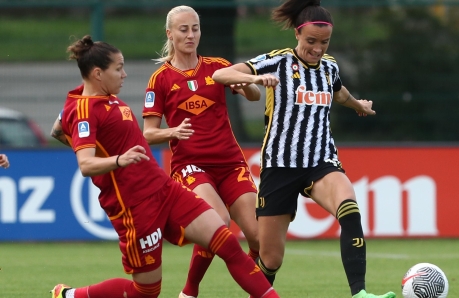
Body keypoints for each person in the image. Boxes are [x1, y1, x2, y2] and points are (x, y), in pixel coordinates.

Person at [49, 35, 279, 298]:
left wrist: (67, 127)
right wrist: (118, 160)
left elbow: (58, 128)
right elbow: (86, 164)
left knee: (227, 244)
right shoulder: (84, 110)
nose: (124, 74)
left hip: (165, 190)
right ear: (98, 74)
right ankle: (70, 295)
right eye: (118, 68)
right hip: (134, 206)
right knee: (145, 292)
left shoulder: (101, 98)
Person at [212, 1, 396, 297]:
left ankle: (360, 293)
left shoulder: (330, 67)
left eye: (324, 42)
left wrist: (358, 105)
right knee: (270, 259)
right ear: (298, 35)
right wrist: (254, 78)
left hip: (320, 161)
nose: (318, 48)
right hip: (280, 167)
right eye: (311, 41)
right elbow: (221, 75)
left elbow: (339, 92)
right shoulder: (279, 62)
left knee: (348, 207)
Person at [141, 6, 272, 298]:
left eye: (195, 28)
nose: (190, 35)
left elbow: (252, 97)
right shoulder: (160, 79)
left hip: (230, 163)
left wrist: (249, 83)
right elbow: (148, 134)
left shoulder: (218, 67)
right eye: (183, 29)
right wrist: (171, 132)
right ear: (170, 34)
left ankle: (256, 289)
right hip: (191, 166)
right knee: (219, 221)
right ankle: (190, 291)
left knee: (258, 238)